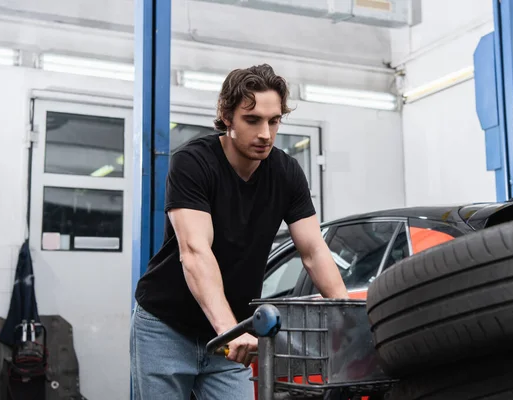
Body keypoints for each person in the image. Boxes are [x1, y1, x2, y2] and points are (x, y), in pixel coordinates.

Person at [130, 63, 349, 399]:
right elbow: (194, 252)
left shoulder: (286, 172)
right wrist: (228, 330)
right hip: (166, 328)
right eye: (252, 120)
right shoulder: (193, 162)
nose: (265, 133)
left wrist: (346, 315)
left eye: (273, 121)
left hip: (236, 335)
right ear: (227, 117)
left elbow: (313, 250)